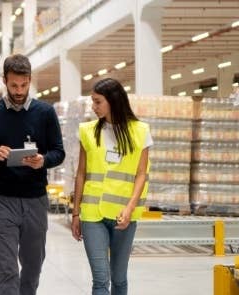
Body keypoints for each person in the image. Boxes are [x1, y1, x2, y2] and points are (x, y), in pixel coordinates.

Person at [0, 54, 65, 295]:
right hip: (1, 200)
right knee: (7, 268)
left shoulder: (45, 112)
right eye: (14, 85)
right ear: (4, 81)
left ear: (30, 80)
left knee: (33, 266)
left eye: (24, 85)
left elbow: (58, 152)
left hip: (35, 200)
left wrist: (42, 160)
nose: (19, 90)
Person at [71, 78, 151, 295]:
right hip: (91, 214)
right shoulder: (87, 131)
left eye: (98, 102)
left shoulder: (140, 131)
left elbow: (141, 174)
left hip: (123, 215)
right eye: (92, 102)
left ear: (113, 101)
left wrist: (130, 209)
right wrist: (75, 213)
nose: (93, 107)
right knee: (100, 280)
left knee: (119, 279)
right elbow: (81, 174)